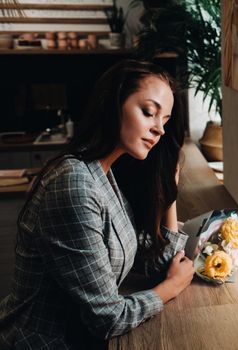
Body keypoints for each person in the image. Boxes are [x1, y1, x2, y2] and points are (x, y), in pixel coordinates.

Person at [0, 60, 195, 349]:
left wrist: (170, 194)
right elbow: (108, 319)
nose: (159, 130)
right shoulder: (74, 184)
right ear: (113, 104)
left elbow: (149, 259)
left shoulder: (103, 172)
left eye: (164, 121)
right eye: (149, 113)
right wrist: (170, 288)